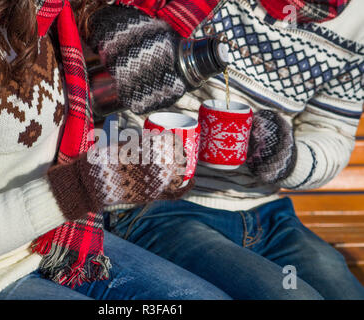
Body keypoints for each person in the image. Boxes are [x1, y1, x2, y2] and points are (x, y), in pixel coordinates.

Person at [0, 0, 231, 300]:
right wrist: (89, 184)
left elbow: (51, 127)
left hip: (50, 242)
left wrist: (138, 164)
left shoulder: (53, 15)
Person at [87, 0, 364, 299]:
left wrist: (286, 158)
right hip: (156, 206)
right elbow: (95, 13)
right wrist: (118, 28)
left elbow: (331, 130)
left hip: (266, 213)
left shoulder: (357, 19)